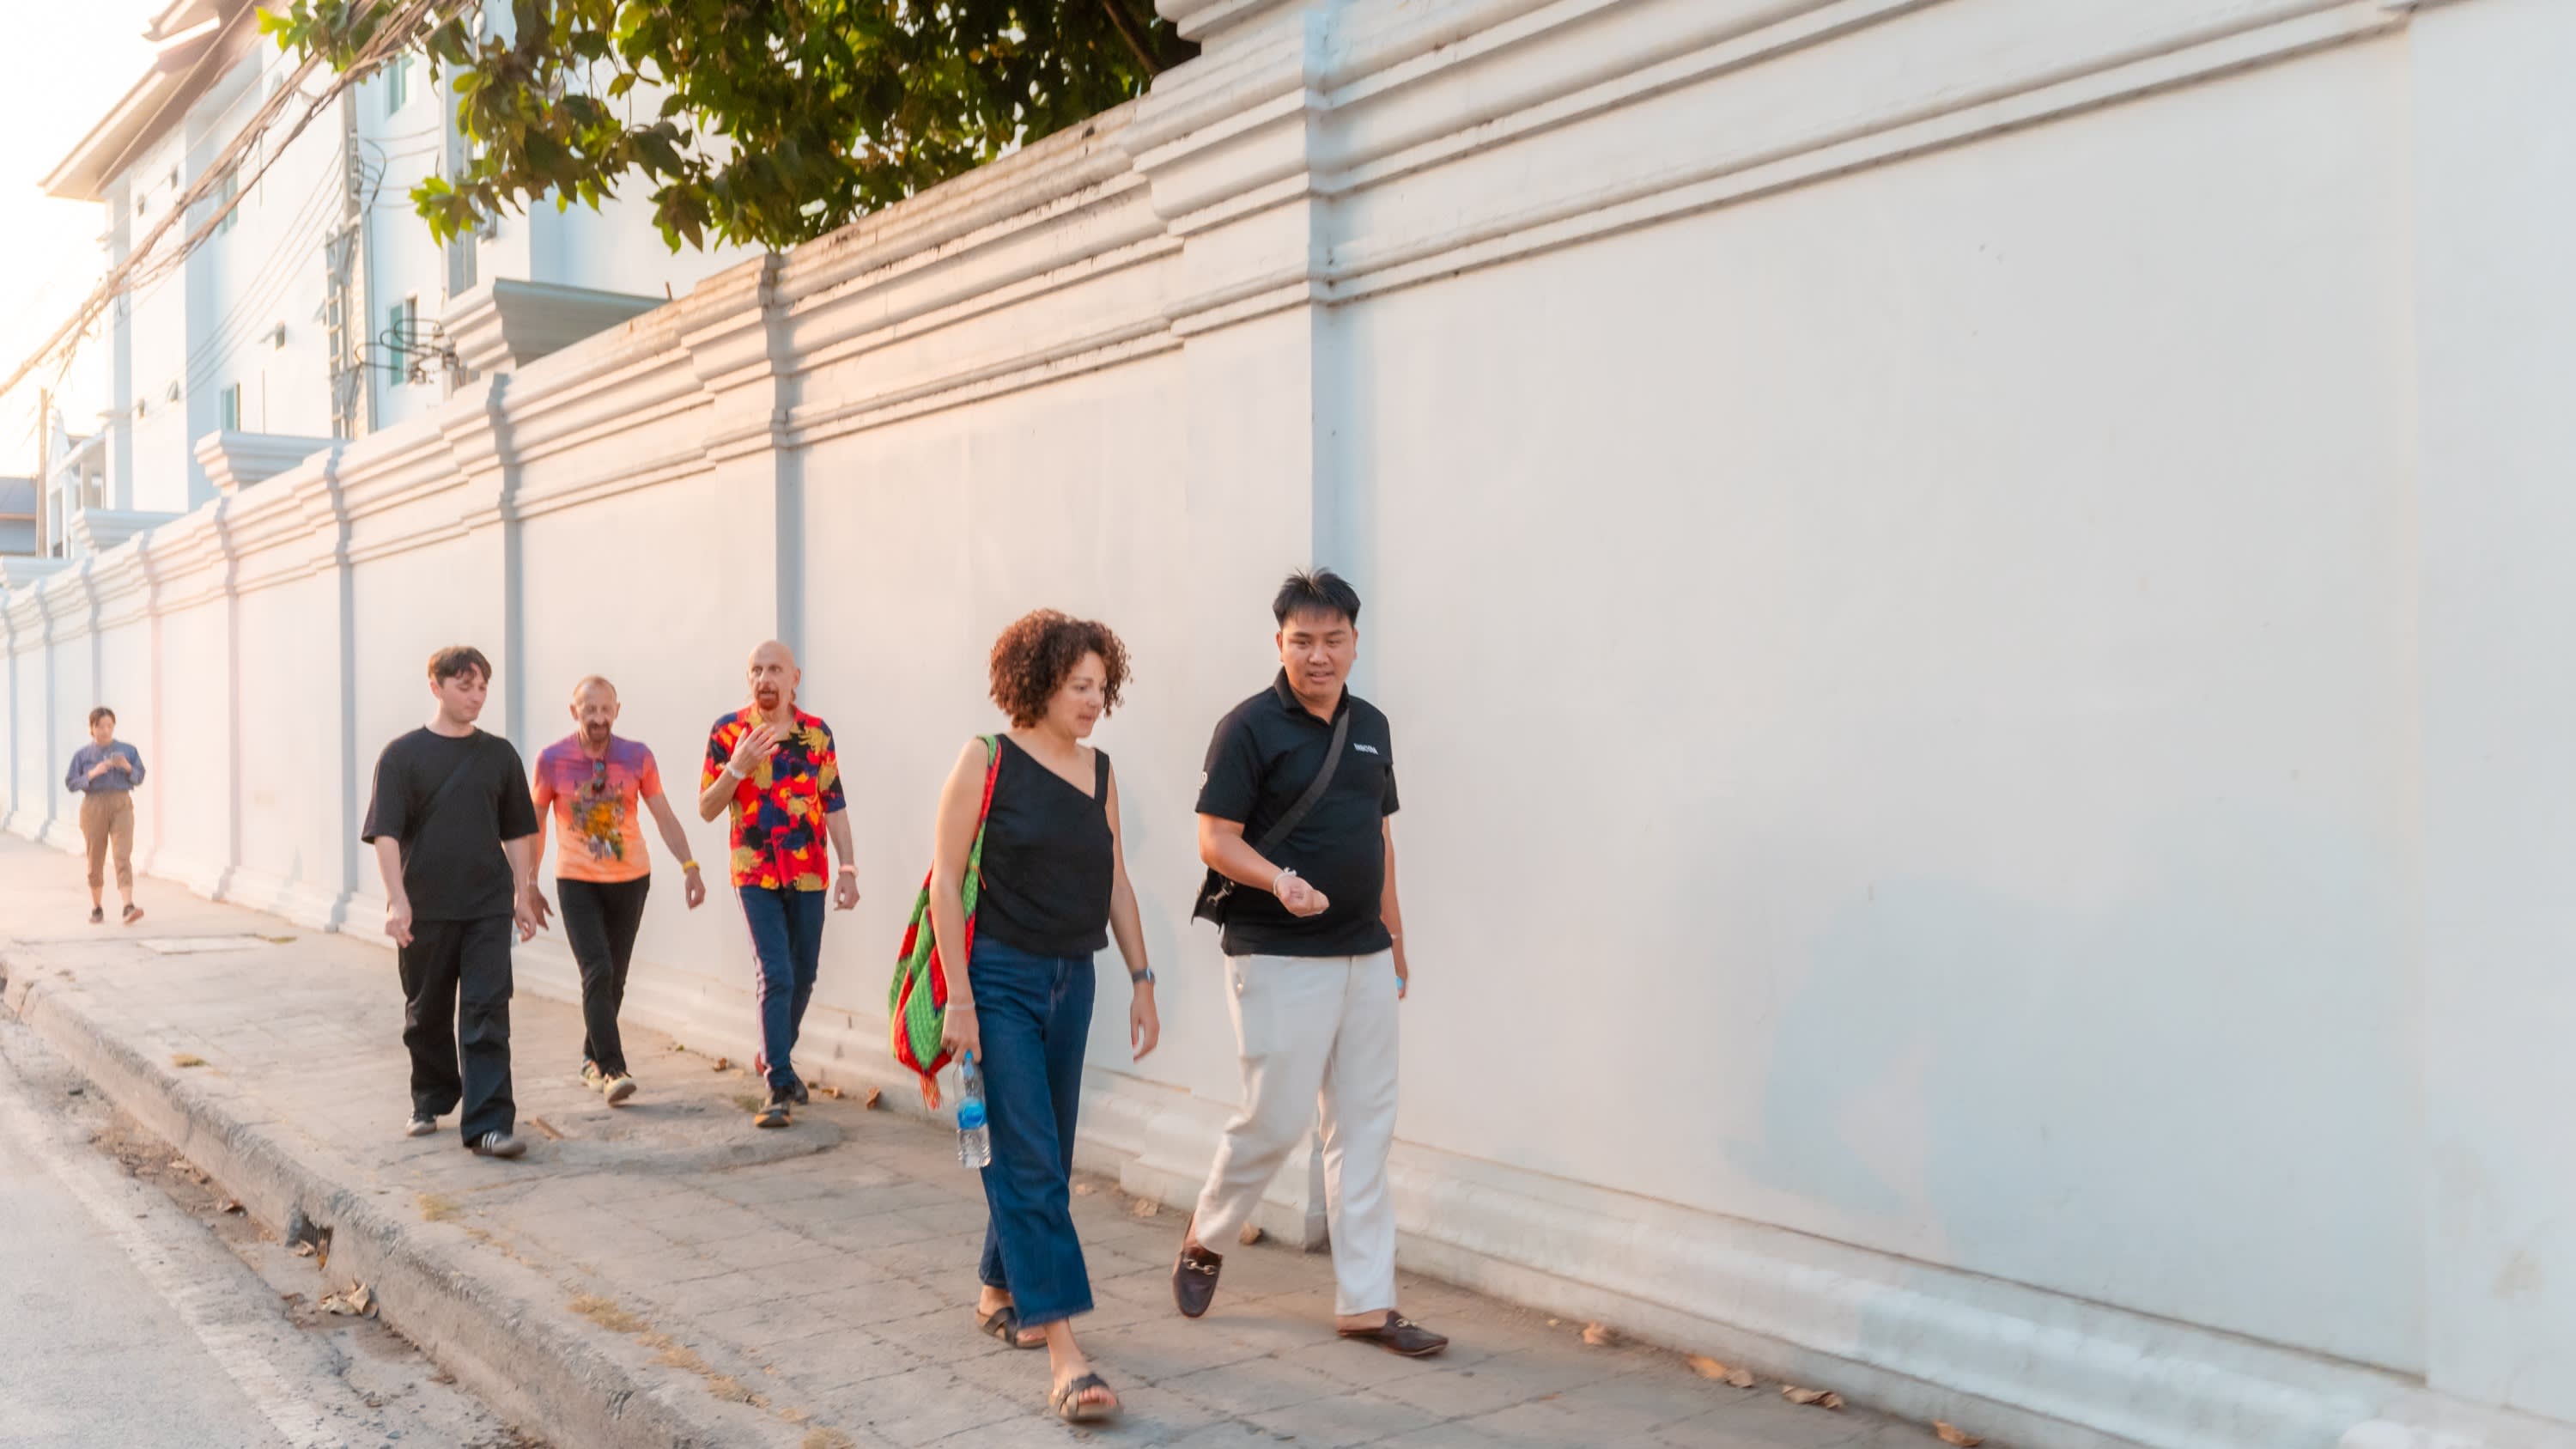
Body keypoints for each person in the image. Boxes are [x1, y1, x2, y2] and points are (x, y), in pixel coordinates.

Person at [1170, 569, 1445, 1357]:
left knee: (1363, 1125)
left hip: (1364, 951)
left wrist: (1395, 934)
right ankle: (1208, 1232)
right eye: (1302, 641)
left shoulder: (1372, 726)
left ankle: (1367, 1303)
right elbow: (1215, 837)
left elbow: (1379, 836)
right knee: (1277, 1115)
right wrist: (1278, 881)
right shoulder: (1248, 727)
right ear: (1280, 643)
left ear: (1354, 643)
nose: (1318, 655)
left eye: (1332, 639)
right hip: (1277, 950)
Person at [931, 610, 1157, 1423]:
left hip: (1075, 979)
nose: (1093, 701)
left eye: (1101, 686)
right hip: (998, 979)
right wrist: (960, 999)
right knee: (1028, 1158)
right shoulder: (986, 758)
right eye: (1077, 686)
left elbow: (1116, 879)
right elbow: (944, 879)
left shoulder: (1100, 772)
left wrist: (1142, 977)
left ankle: (999, 1286)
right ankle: (1066, 1354)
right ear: (1037, 684)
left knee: (1045, 1151)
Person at [361, 646, 544, 1159]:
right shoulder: (401, 756)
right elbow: (386, 834)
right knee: (427, 1014)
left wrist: (522, 892)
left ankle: (489, 1123)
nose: (476, 696)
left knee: (488, 1011)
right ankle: (431, 1096)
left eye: (482, 686)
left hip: (487, 906)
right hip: (426, 908)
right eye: (465, 686)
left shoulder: (500, 755)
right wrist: (397, 901)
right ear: (436, 686)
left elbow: (517, 830)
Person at [523, 676, 707, 1105]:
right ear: (574, 712)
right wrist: (528, 883)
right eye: (590, 709)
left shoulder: (637, 756)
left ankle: (591, 1057)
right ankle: (612, 1069)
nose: (599, 718)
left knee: (615, 978)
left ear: (617, 711)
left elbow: (663, 815)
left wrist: (690, 866)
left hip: (631, 880)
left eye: (606, 709)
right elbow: (536, 824)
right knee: (598, 970)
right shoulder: (551, 760)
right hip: (576, 881)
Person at [698, 640, 860, 1129]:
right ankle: (778, 1083)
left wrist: (849, 869)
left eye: (774, 670)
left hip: (809, 872)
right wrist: (737, 766)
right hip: (754, 872)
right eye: (756, 670)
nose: (764, 679)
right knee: (776, 974)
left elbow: (834, 803)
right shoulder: (729, 731)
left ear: (795, 679)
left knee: (804, 974)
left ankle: (773, 1054)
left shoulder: (817, 734)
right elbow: (707, 808)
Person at [64, 706, 146, 926]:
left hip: (121, 803)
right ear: (92, 728)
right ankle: (97, 907)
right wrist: (93, 773)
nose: (105, 730)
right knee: (96, 857)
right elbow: (71, 783)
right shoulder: (82, 755)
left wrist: (127, 767)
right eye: (100, 726)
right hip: (93, 805)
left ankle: (128, 906)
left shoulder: (127, 750)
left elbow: (139, 777)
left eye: (109, 725)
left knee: (122, 854)